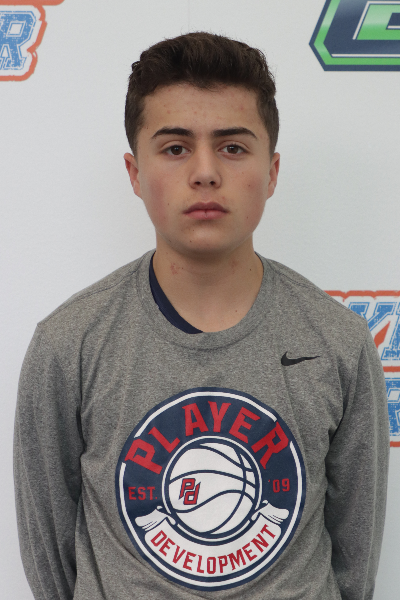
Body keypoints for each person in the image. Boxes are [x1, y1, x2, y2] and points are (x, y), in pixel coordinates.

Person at [14, 32, 389, 600]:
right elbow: (48, 553)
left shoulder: (337, 339)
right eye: (175, 148)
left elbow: (355, 554)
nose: (206, 172)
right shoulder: (69, 344)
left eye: (233, 147)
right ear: (135, 173)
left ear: (272, 171)